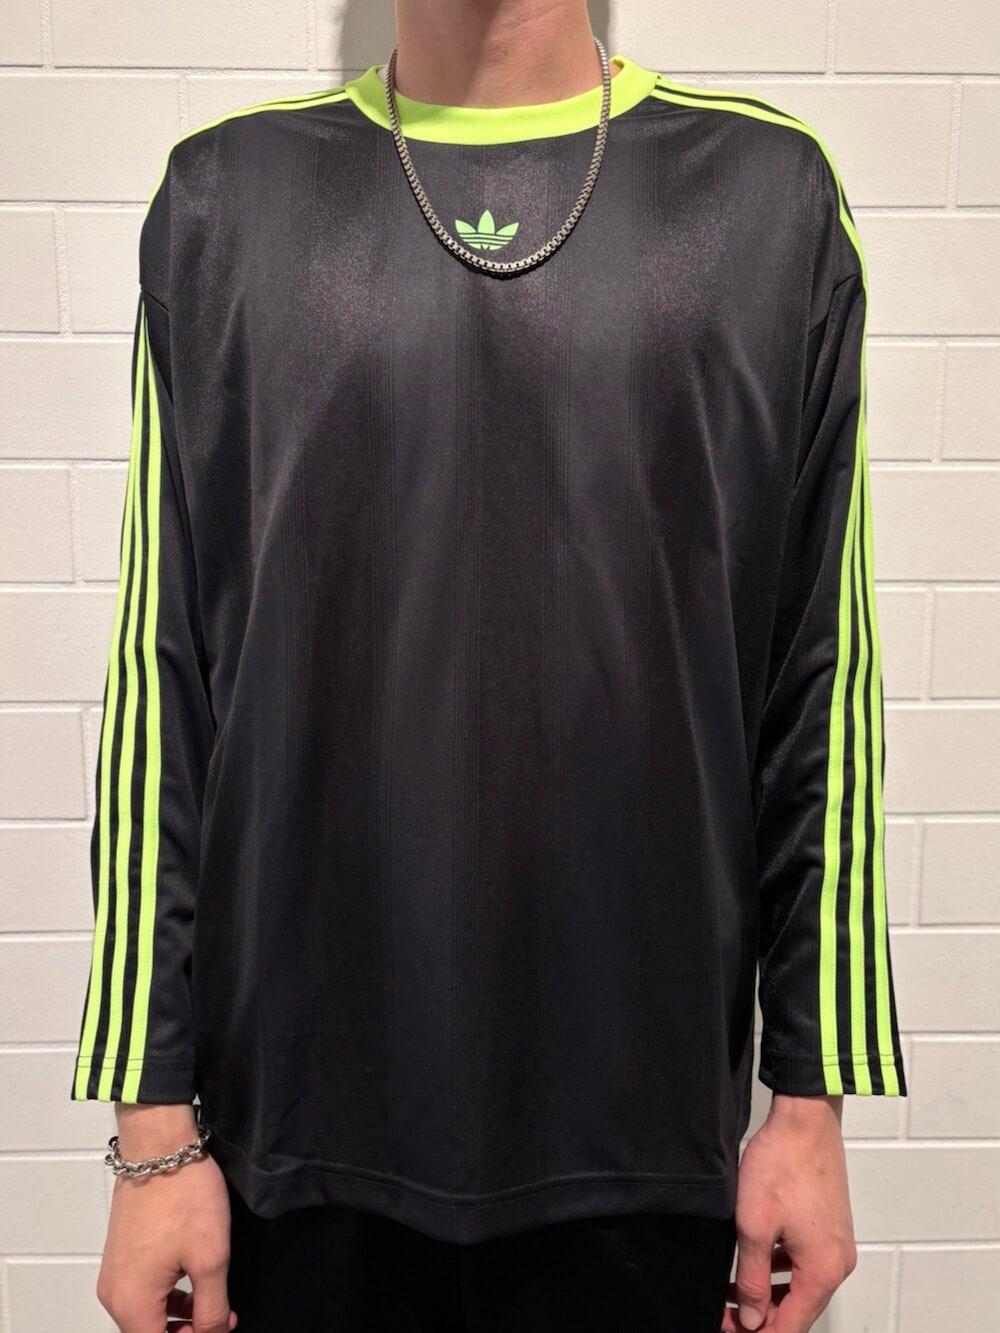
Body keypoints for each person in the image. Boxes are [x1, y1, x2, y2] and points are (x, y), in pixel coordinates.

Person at [70, 2, 908, 1330]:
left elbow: (821, 682)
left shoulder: (767, 199)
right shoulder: (225, 202)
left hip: (643, 1153)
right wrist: (152, 1129)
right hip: (297, 1155)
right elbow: (161, 687)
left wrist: (810, 1102)